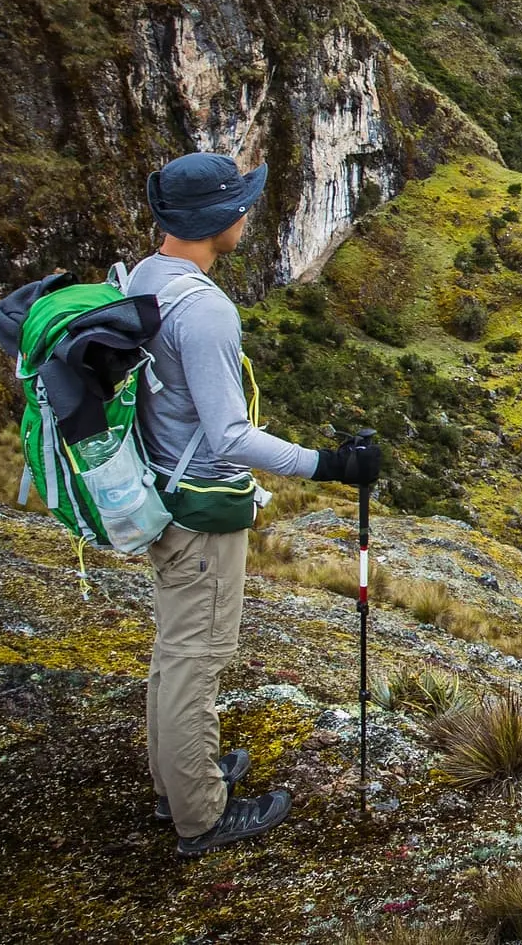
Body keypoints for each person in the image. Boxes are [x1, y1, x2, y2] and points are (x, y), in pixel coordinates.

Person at [128, 151, 382, 857]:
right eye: (239, 205)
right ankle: (200, 813)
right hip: (201, 507)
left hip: (162, 488)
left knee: (176, 648)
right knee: (198, 656)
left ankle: (178, 777)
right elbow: (230, 436)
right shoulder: (206, 310)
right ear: (216, 219)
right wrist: (329, 465)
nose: (247, 214)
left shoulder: (148, 276)